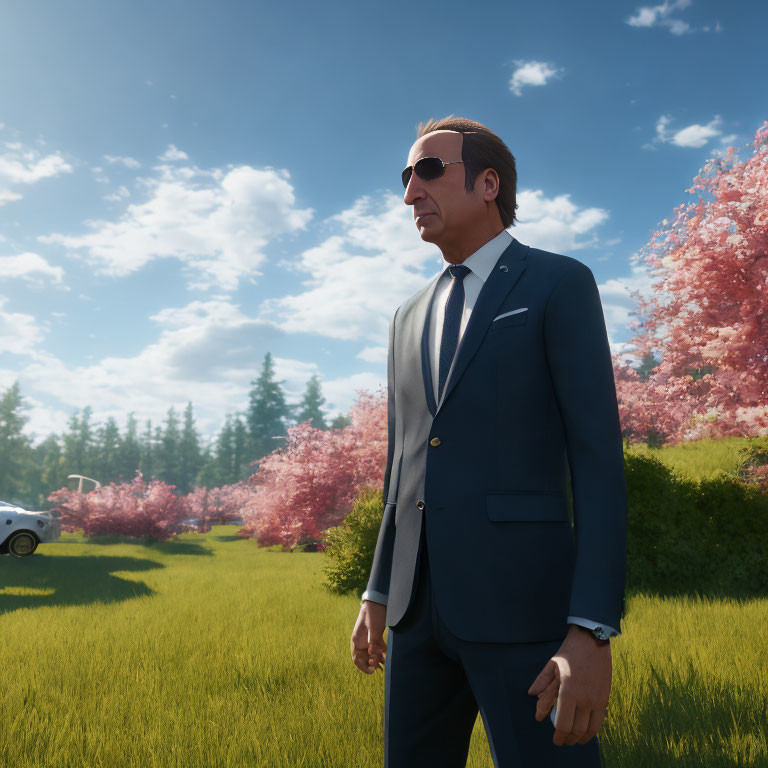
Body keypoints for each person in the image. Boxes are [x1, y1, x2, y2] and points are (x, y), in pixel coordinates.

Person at [349, 116, 627, 768]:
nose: (410, 191)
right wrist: (377, 590)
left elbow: (596, 462)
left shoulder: (558, 284)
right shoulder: (406, 317)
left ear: (488, 183)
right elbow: (403, 465)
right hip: (417, 617)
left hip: (525, 614)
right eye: (404, 177)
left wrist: (590, 628)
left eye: (428, 171)